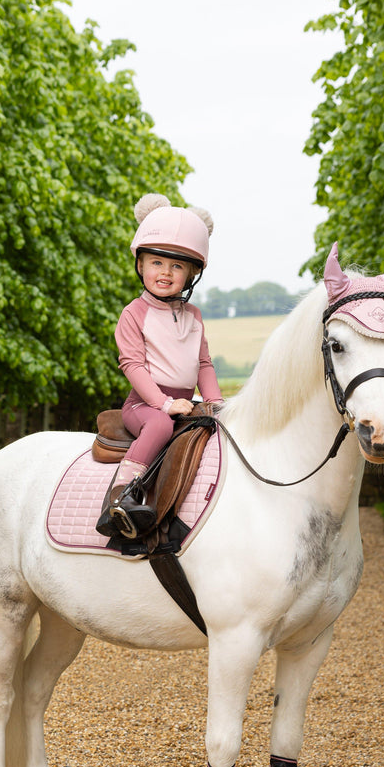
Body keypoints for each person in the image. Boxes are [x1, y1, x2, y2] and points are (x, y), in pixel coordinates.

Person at [96, 193, 223, 539]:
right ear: (140, 265)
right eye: (156, 263)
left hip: (183, 403)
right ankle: (121, 495)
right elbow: (133, 366)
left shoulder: (194, 316)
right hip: (145, 404)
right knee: (160, 429)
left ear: (191, 274)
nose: (165, 273)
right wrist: (164, 405)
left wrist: (216, 403)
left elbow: (203, 364)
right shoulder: (133, 314)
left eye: (177, 266)